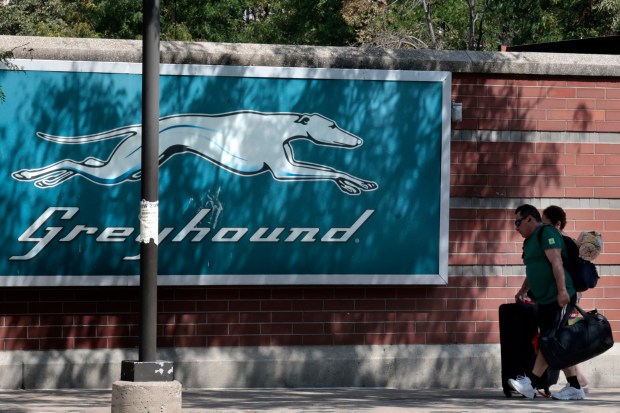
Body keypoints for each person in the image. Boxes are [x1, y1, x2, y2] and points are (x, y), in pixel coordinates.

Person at [509, 204, 584, 400]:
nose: (516, 227)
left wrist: (561, 291)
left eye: (518, 222)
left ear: (530, 219)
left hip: (558, 297)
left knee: (548, 339)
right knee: (555, 340)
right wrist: (522, 290)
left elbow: (556, 262)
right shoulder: (529, 242)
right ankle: (575, 386)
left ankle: (530, 383)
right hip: (544, 299)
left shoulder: (547, 233)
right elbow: (534, 269)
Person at [541, 205, 589, 393]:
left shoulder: (561, 242)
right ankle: (579, 381)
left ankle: (576, 382)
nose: (542, 229)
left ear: (558, 224)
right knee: (563, 337)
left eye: (545, 224)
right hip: (570, 298)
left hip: (564, 298)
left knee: (558, 337)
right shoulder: (565, 241)